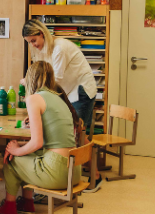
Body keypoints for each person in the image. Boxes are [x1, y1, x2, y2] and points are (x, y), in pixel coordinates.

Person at [0, 61, 82, 214]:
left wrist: (16, 150)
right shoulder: (59, 99)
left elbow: (37, 142)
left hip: (57, 171)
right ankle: (27, 203)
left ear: (30, 78)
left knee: (12, 158)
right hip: (73, 171)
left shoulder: (34, 99)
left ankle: (9, 208)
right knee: (26, 153)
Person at [22, 19, 101, 192]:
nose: (33, 45)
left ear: (42, 33)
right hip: (65, 92)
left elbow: (52, 81)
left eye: (34, 41)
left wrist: (30, 86)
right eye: (30, 42)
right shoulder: (44, 50)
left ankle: (95, 175)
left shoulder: (59, 48)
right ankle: (67, 172)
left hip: (80, 91)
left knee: (78, 134)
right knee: (72, 133)